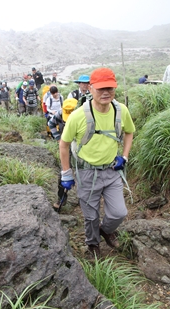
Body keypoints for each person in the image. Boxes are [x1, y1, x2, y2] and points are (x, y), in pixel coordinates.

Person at [59, 67, 135, 258]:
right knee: (91, 216)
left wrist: (124, 157)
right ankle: (93, 244)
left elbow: (129, 132)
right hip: (86, 173)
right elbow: (64, 144)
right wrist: (66, 173)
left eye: (110, 88)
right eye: (101, 88)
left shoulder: (120, 111)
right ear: (91, 89)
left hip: (112, 171)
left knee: (119, 212)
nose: (106, 92)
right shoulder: (78, 116)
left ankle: (106, 230)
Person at [48, 98, 78, 211]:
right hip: (66, 147)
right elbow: (51, 123)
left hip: (82, 146)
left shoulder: (85, 114)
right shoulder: (60, 114)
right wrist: (58, 139)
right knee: (64, 172)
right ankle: (61, 198)